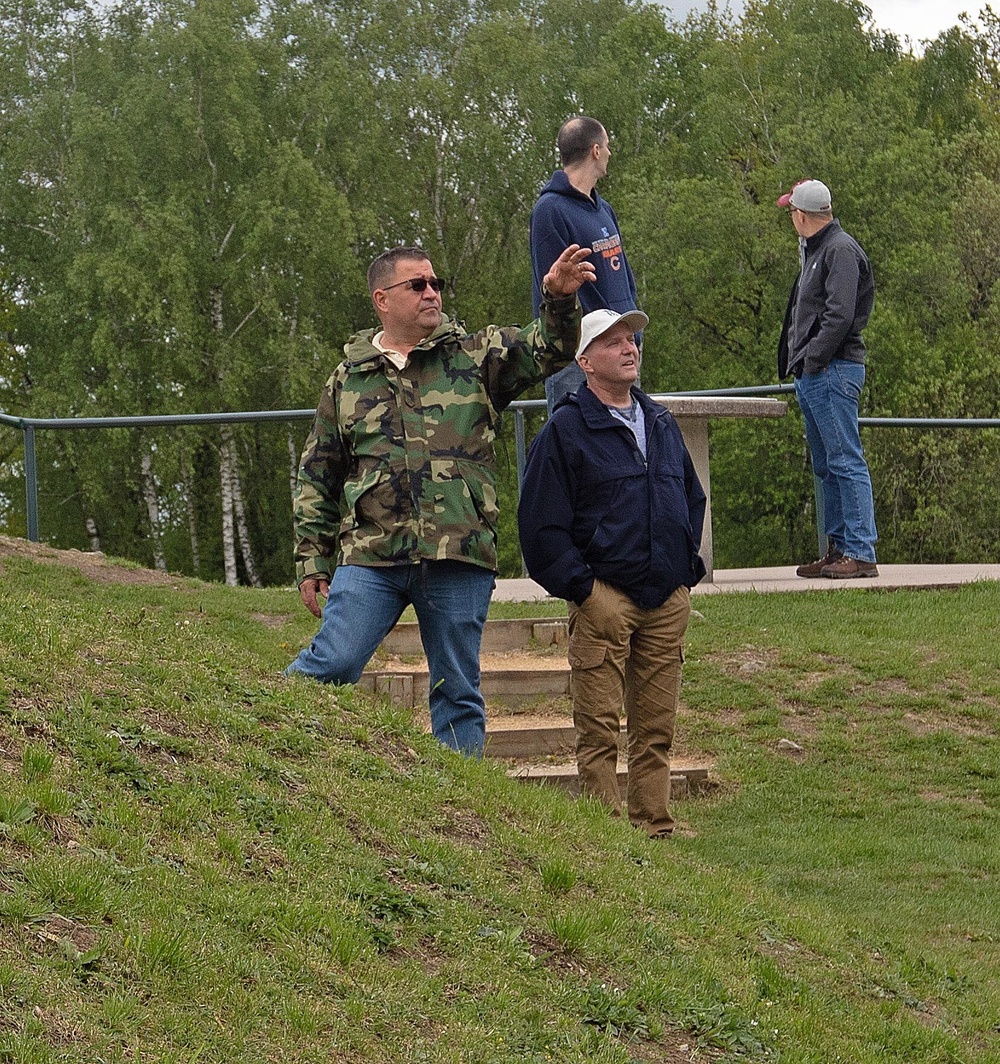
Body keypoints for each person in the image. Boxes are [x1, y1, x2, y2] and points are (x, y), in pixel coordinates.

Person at [285, 243, 596, 757]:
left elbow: (553, 347)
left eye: (436, 283)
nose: (433, 293)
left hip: (459, 554)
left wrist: (558, 298)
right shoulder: (348, 379)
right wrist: (312, 558)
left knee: (458, 693)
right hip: (372, 558)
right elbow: (318, 474)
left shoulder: (475, 356)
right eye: (418, 285)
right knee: (332, 664)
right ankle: (258, 742)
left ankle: (461, 817)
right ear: (382, 299)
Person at [517, 308, 706, 839]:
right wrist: (584, 590)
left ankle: (654, 823)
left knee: (656, 726)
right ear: (585, 362)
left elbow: (690, 499)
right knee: (598, 730)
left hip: (665, 599)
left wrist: (684, 572)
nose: (629, 349)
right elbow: (540, 528)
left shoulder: (661, 423)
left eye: (632, 340)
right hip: (603, 600)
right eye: (613, 342)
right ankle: (604, 835)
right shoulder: (565, 432)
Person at [777, 179, 879, 579]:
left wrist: (814, 359)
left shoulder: (839, 250)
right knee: (827, 465)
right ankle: (838, 550)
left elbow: (840, 315)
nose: (791, 218)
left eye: (791, 212)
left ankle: (860, 551)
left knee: (845, 461)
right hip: (816, 372)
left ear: (802, 215)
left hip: (835, 370)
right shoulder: (816, 250)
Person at [530, 115, 640, 414]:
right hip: (578, 361)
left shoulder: (604, 209)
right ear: (594, 150)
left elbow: (623, 277)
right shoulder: (550, 210)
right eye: (607, 146)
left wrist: (631, 335)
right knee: (578, 450)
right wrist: (593, 343)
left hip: (622, 351)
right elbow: (553, 291)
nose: (609, 154)